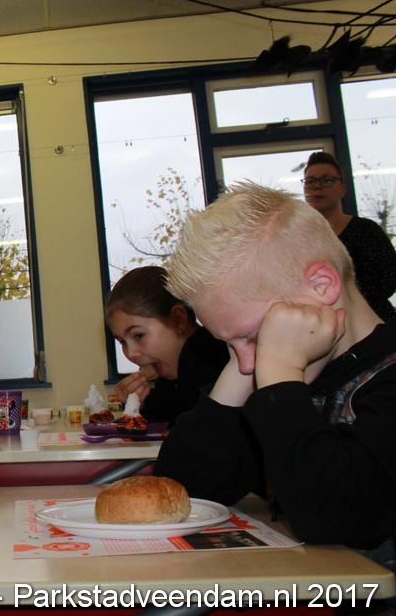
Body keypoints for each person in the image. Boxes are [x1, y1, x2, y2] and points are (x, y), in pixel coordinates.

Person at [155, 182, 396, 561]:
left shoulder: (382, 380)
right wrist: (240, 371)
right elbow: (183, 490)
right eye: (228, 345)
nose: (248, 363)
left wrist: (281, 373)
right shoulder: (269, 373)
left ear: (321, 286)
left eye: (253, 337)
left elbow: (334, 516)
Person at [105, 266, 229, 425]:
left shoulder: (208, 360)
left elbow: (200, 427)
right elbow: (171, 411)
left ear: (178, 320)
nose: (130, 353)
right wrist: (137, 406)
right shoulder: (173, 372)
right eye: (122, 342)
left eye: (138, 335)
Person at [302, 151, 396, 321]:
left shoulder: (367, 230)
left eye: (327, 180)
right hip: (323, 325)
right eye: (310, 181)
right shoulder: (299, 238)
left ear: (343, 189)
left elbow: (389, 280)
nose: (317, 186)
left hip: (375, 322)